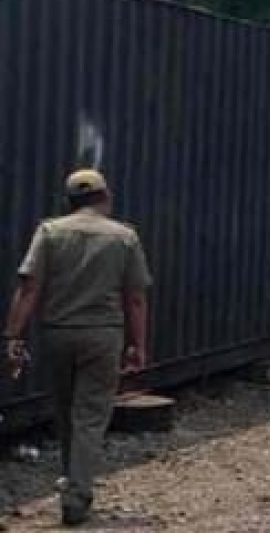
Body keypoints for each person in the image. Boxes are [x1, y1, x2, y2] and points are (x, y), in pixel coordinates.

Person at [4, 170, 152, 527]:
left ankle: (71, 479)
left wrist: (11, 337)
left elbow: (29, 288)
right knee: (89, 416)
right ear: (106, 197)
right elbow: (135, 298)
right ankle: (77, 494)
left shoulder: (50, 232)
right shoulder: (124, 237)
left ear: (69, 201)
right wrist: (138, 345)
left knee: (66, 411)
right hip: (103, 337)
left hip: (58, 335)